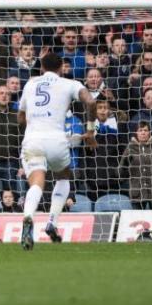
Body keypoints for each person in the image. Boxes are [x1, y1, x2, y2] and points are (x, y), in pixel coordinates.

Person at [17, 52, 97, 250]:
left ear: (42, 68)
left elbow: (20, 117)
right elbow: (91, 102)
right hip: (57, 141)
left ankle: (28, 217)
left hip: (33, 140)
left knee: (37, 181)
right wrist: (89, 131)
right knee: (63, 178)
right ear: (61, 67)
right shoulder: (70, 83)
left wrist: (33, 123)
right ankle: (52, 222)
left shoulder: (30, 84)